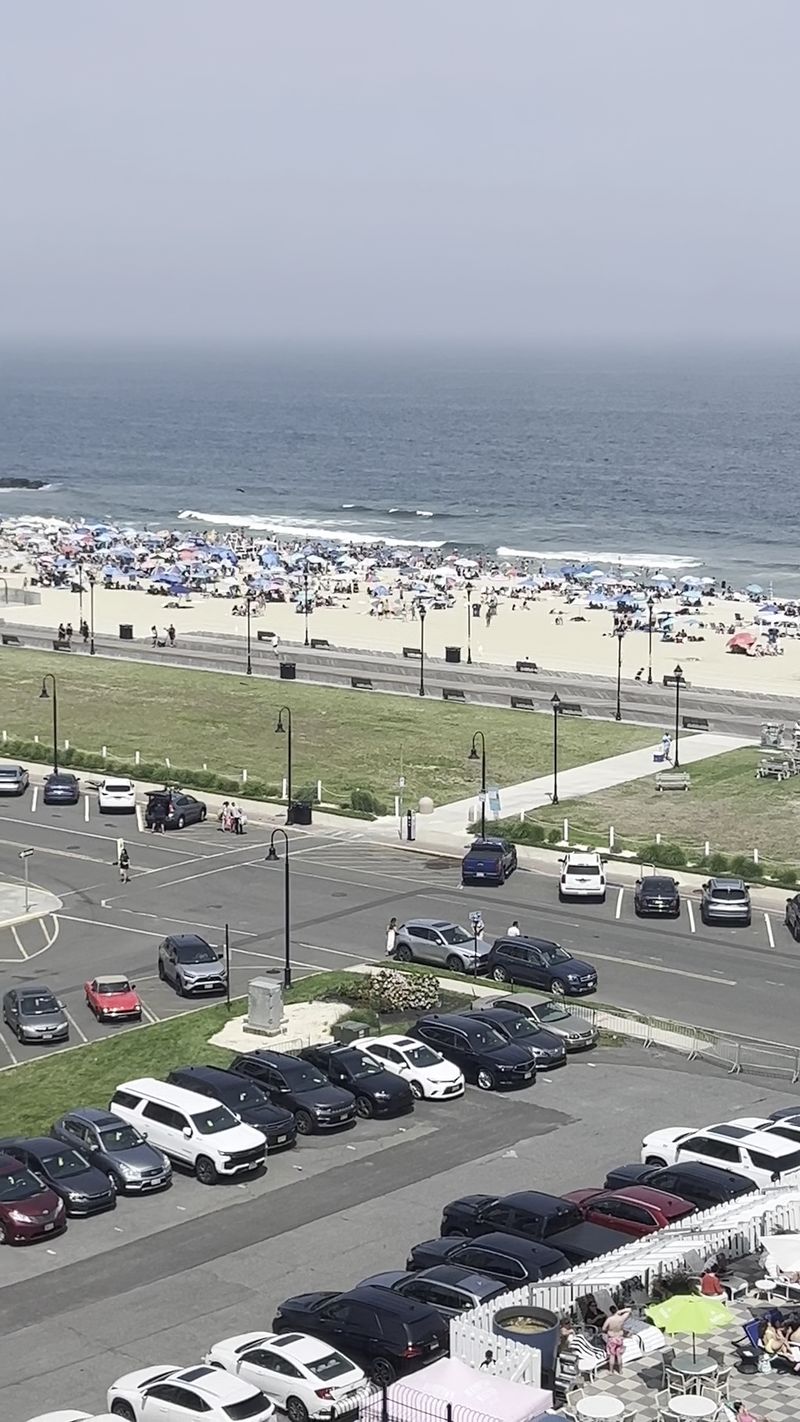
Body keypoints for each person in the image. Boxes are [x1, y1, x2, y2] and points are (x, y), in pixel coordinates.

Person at [602, 1303, 631, 1374]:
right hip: (619, 1338)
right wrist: (620, 1312)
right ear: (616, 1310)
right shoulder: (621, 1318)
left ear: (610, 1311)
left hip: (612, 1338)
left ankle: (611, 1371)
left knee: (612, 1355)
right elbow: (629, 1310)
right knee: (619, 1355)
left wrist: (609, 1329)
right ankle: (620, 1370)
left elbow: (603, 1328)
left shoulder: (609, 1319)